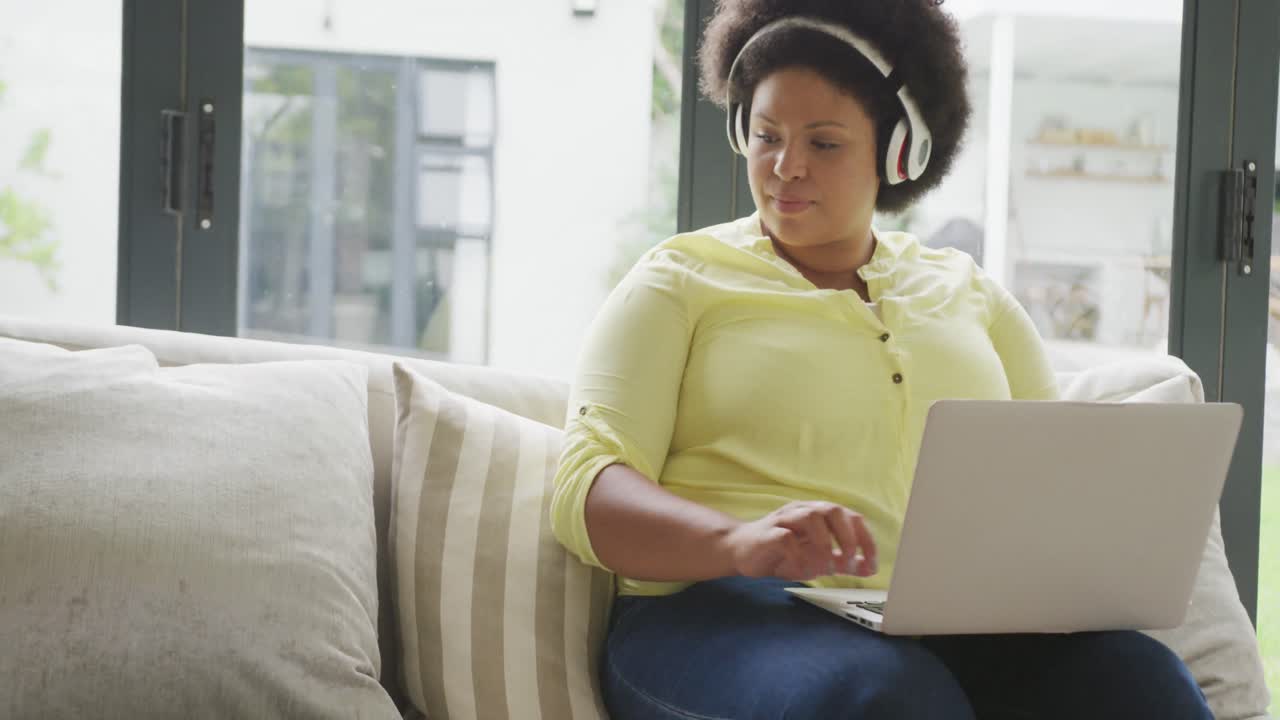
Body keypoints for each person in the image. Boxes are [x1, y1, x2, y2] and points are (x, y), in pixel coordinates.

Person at [550, 1, 1212, 717]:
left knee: (1140, 679)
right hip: (716, 615)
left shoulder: (970, 295)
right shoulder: (677, 279)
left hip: (937, 626)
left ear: (900, 153)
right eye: (766, 136)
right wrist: (738, 542)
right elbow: (585, 486)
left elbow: (1050, 487)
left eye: (823, 143)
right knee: (891, 697)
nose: (785, 167)